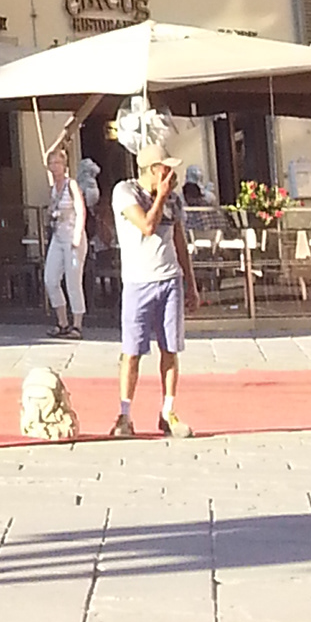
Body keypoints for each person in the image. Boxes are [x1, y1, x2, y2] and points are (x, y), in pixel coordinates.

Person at [111, 141, 197, 439]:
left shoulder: (174, 199)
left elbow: (179, 240)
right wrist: (159, 196)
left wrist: (191, 283)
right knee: (132, 351)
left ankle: (168, 411)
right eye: (166, 167)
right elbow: (147, 226)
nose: (172, 173)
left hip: (169, 279)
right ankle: (124, 414)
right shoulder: (125, 192)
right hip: (138, 281)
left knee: (170, 349)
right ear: (152, 170)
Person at [43, 144, 88, 337]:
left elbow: (81, 209)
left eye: (57, 163)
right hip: (58, 236)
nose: (54, 167)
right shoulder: (54, 188)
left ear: (64, 165)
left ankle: (77, 324)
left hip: (72, 238)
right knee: (50, 279)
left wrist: (78, 235)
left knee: (73, 281)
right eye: (51, 163)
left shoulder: (72, 185)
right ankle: (62, 321)